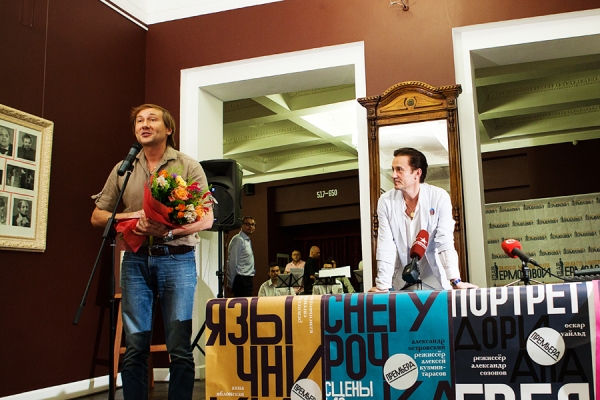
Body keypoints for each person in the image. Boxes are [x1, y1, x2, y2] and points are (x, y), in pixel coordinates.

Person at [91, 104, 214, 400]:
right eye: (139, 121)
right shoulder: (124, 168)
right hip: (135, 260)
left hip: (177, 259)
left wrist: (168, 232)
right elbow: (97, 216)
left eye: (152, 119)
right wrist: (133, 216)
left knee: (179, 346)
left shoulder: (187, 165)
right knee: (135, 346)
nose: (144, 125)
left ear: (168, 129)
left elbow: (206, 218)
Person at [370, 147, 477, 292]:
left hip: (435, 280)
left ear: (417, 173)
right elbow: (386, 245)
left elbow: (444, 241)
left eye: (399, 169)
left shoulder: (439, 197)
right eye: (393, 169)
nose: (393, 175)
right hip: (402, 281)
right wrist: (383, 285)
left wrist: (455, 281)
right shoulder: (386, 201)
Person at [227, 216, 256, 297]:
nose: (250, 226)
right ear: (242, 225)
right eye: (248, 224)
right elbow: (232, 262)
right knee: (242, 304)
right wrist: (230, 283)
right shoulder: (238, 240)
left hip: (248, 279)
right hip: (241, 280)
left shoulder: (247, 241)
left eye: (253, 225)